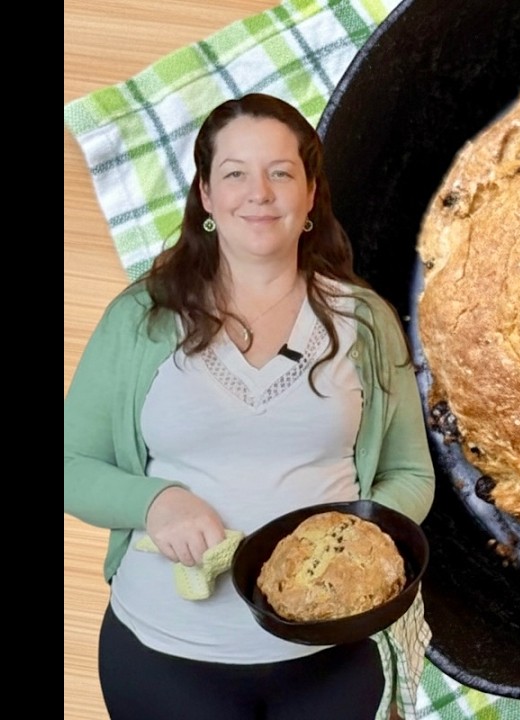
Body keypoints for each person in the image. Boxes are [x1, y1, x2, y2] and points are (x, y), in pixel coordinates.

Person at [63, 93, 435, 720]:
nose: (258, 192)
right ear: (206, 195)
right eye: (235, 173)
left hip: (335, 660)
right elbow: (72, 463)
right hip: (163, 656)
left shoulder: (365, 322)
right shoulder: (140, 319)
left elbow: (411, 475)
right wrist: (155, 502)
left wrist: (350, 540)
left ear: (310, 193)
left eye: (281, 172)